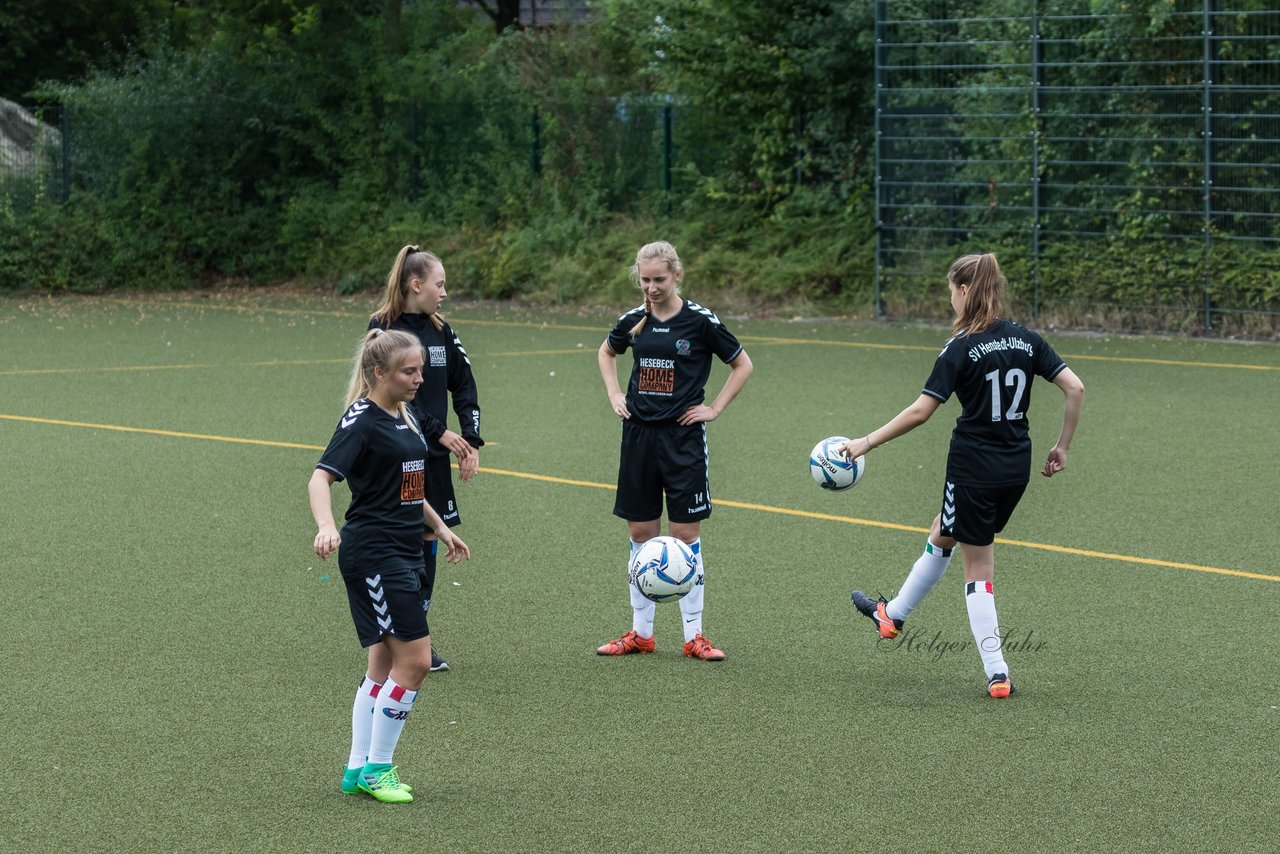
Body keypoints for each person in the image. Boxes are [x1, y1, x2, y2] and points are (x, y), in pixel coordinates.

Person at [842, 253, 1084, 698]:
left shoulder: (959, 347)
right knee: (943, 530)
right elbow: (1075, 387)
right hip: (1016, 467)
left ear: (965, 290)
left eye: (951, 290)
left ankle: (997, 671)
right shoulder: (1027, 339)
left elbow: (921, 411)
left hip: (973, 468)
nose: (949, 298)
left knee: (978, 567)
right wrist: (1062, 446)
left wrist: (866, 442)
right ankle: (891, 616)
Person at [309, 328, 471, 803]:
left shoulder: (405, 414)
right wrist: (325, 525)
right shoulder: (361, 420)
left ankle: (358, 768)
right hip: (374, 554)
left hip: (404, 549)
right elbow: (321, 478)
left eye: (421, 369)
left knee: (381, 665)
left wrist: (440, 528)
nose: (420, 378)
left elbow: (410, 485)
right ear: (379, 372)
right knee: (417, 662)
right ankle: (380, 769)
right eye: (409, 371)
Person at [596, 241, 754, 661]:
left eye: (659, 279)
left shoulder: (701, 322)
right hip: (638, 439)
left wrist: (715, 408)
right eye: (645, 280)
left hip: (682, 441)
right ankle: (640, 634)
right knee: (640, 535)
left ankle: (694, 637)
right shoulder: (634, 320)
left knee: (685, 537)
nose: (651, 287)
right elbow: (606, 351)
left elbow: (743, 364)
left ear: (676, 275)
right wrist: (614, 392)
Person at [369, 245, 483, 673]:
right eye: (440, 284)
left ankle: (414, 635)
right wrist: (441, 432)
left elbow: (465, 385)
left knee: (429, 543)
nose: (444, 293)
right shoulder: (382, 330)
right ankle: (396, 637)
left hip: (431, 457)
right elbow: (389, 397)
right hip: (393, 454)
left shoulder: (442, 330)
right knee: (402, 543)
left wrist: (469, 439)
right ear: (416, 285)